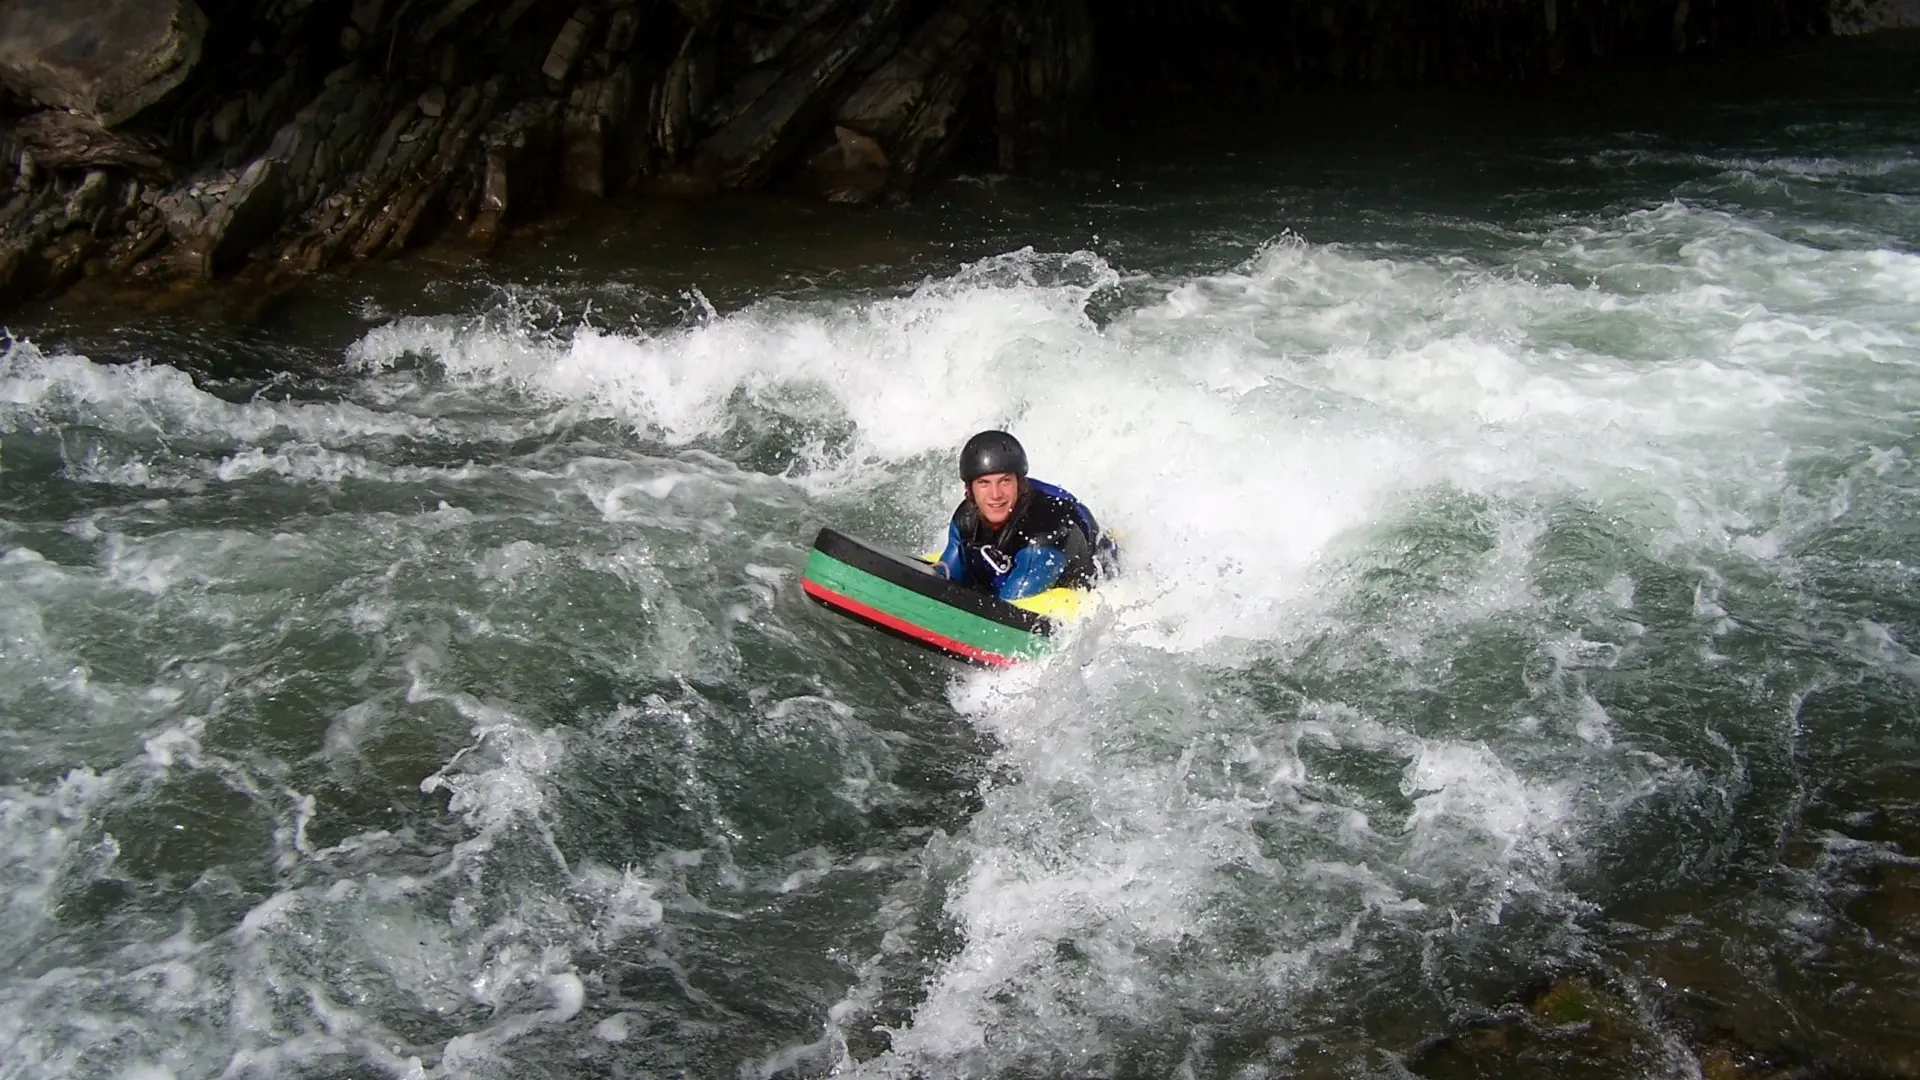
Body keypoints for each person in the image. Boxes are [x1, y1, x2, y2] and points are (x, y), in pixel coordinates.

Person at [932, 430, 1118, 601]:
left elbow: (1008, 610)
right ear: (970, 489)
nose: (995, 495)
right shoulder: (965, 519)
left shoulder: (1043, 534)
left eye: (1005, 481)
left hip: (1092, 568)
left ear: (1019, 484)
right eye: (984, 483)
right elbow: (945, 575)